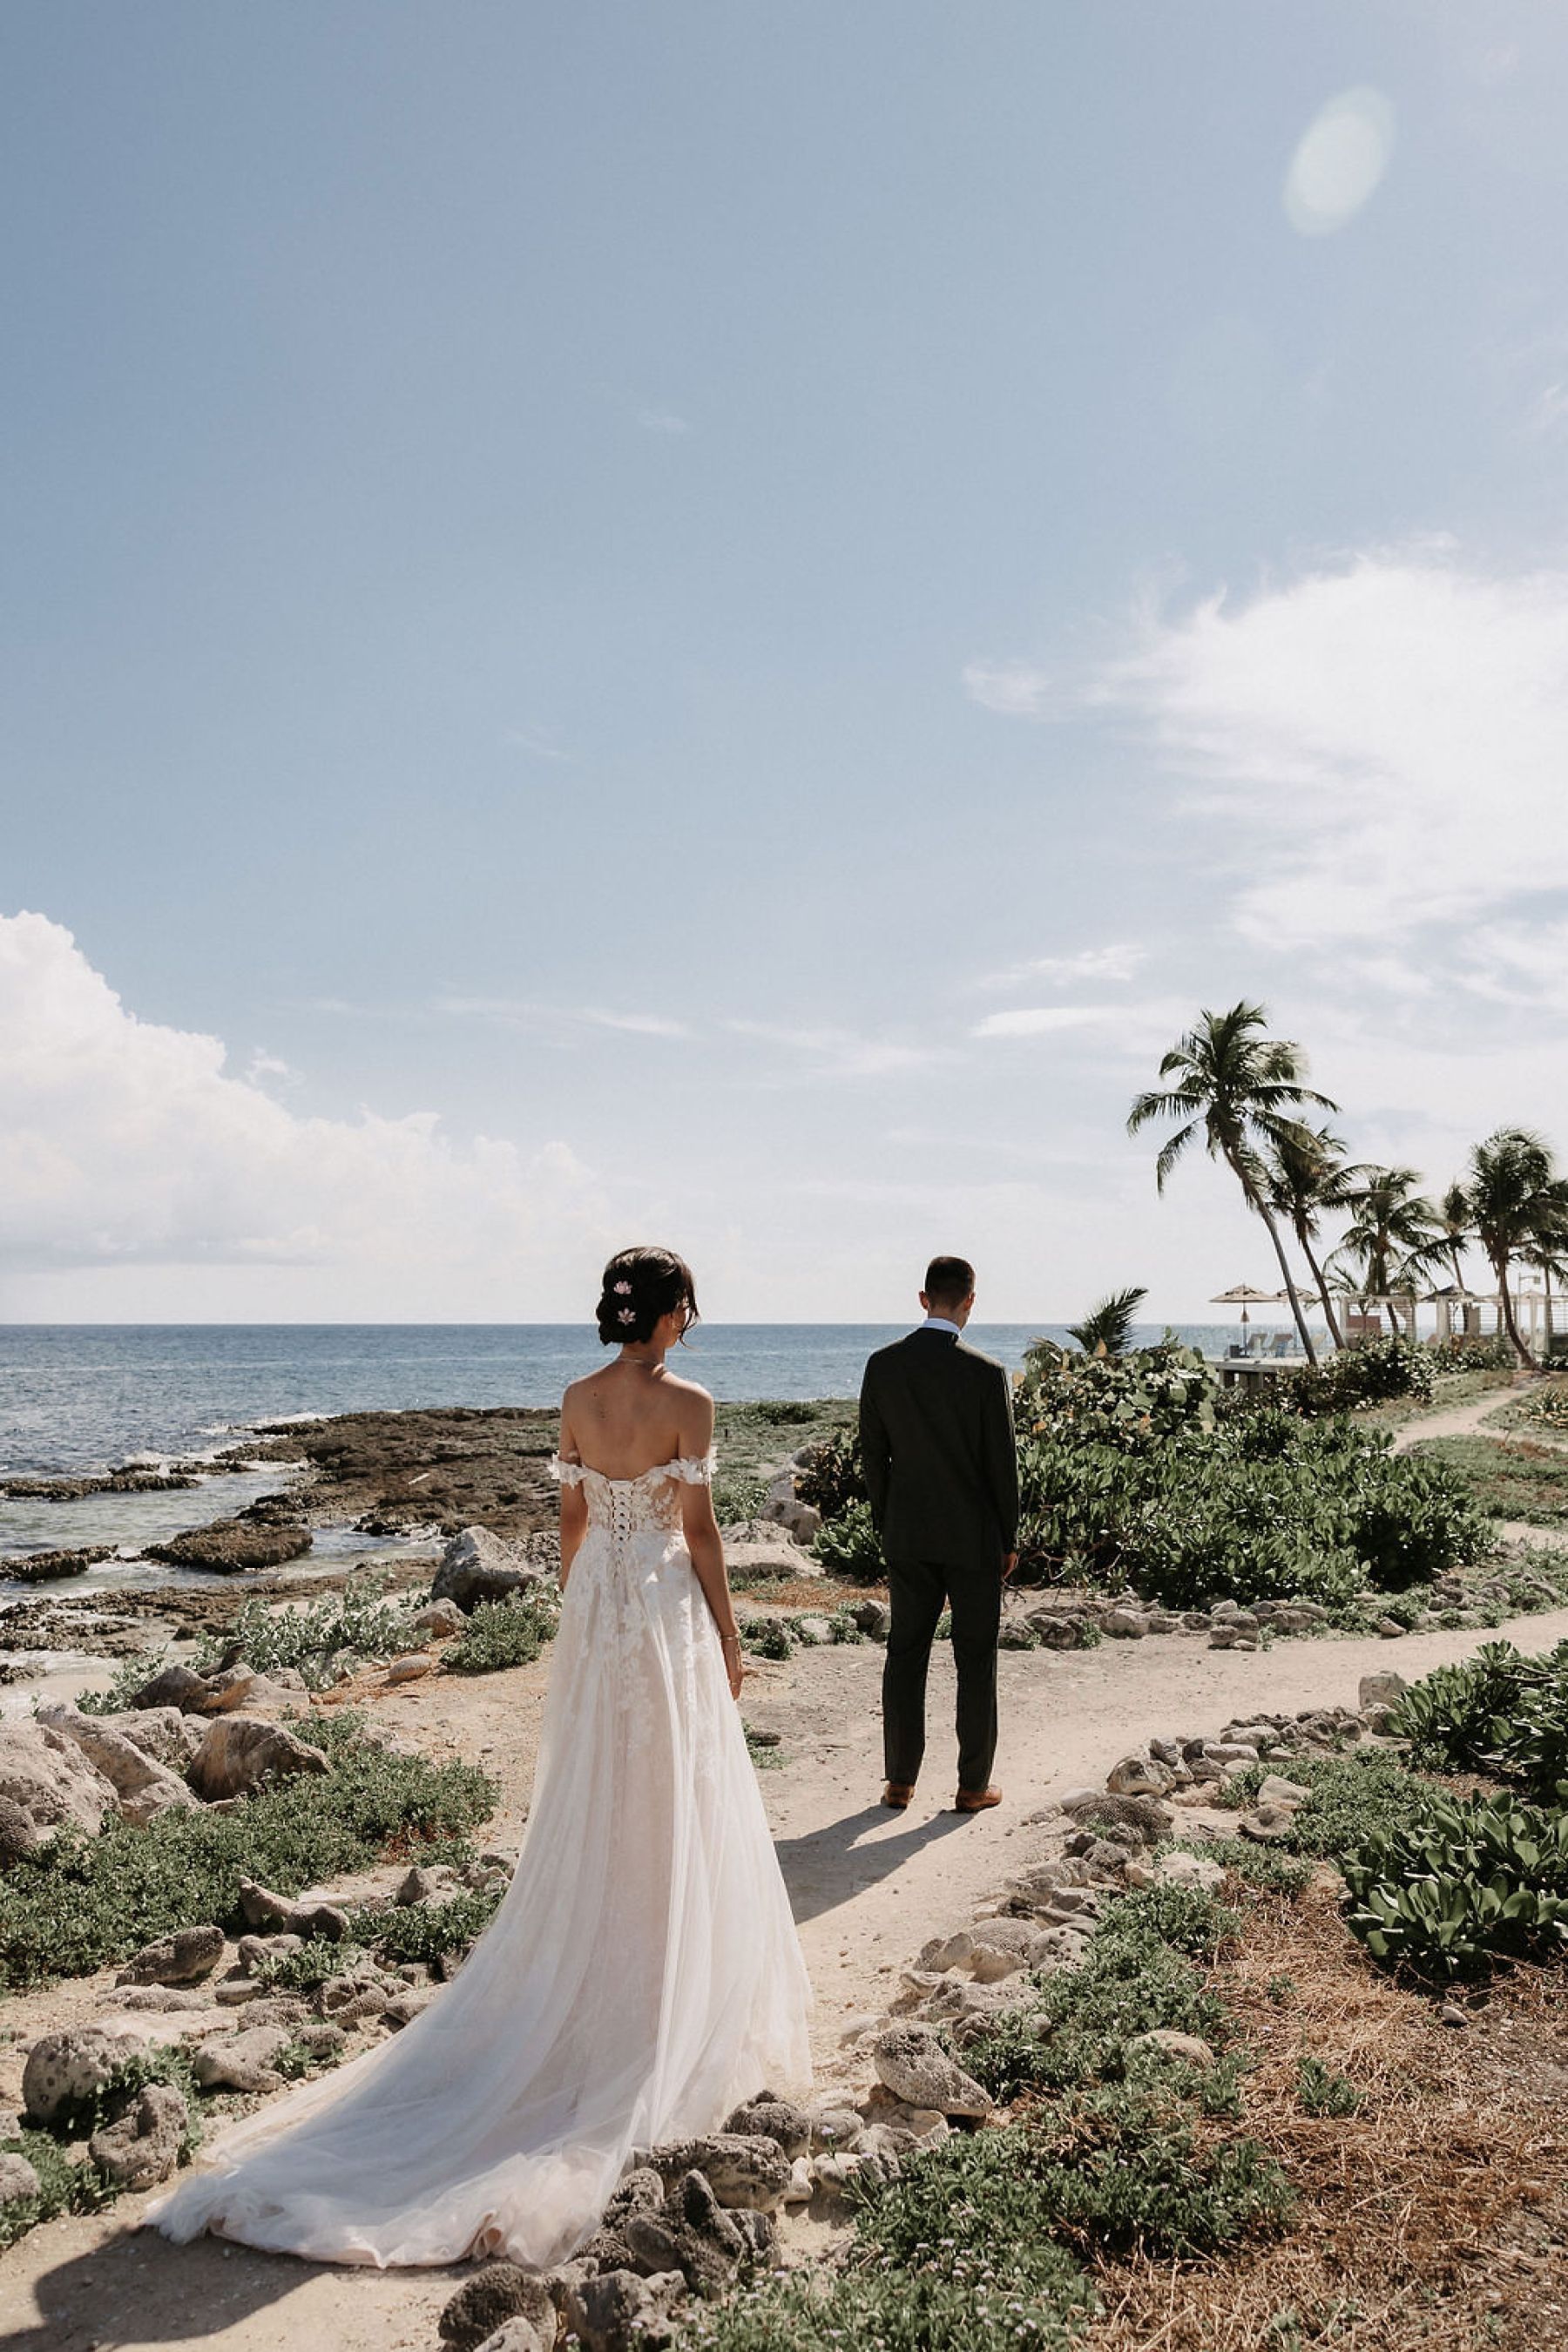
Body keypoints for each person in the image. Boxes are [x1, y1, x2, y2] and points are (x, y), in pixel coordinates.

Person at [148, 1246, 810, 2268]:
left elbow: (573, 1520)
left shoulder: (577, 1397)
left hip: (598, 1607)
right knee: (672, 1790)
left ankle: (605, 1976)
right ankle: (661, 1997)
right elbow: (704, 1532)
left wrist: (586, 1614)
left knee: (599, 1789)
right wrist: (727, 1633)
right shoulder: (694, 1400)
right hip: (664, 1607)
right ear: (673, 1309)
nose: (690, 1321)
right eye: (687, 1306)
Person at [858, 1255, 1019, 1815]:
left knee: (906, 1653)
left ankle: (899, 1782)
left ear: (923, 1298)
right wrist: (1009, 1538)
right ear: (970, 1301)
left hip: (908, 1533)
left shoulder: (883, 1366)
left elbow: (873, 1457)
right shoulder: (985, 1372)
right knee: (976, 1659)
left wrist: (887, 1521)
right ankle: (973, 1785)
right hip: (974, 1538)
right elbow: (1003, 1466)